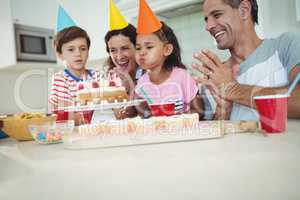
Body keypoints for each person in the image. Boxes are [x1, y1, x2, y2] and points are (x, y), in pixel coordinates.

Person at [193, 0, 300, 120]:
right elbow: (210, 132)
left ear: (244, 10)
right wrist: (224, 113)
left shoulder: (286, 45)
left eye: (217, 15)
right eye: (206, 19)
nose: (208, 27)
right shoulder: (215, 75)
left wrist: (233, 89)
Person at [49, 26, 101, 125]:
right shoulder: (60, 79)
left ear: (88, 52)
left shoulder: (97, 76)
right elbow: (68, 116)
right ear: (60, 54)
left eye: (83, 49)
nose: (78, 53)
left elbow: (108, 108)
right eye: (71, 49)